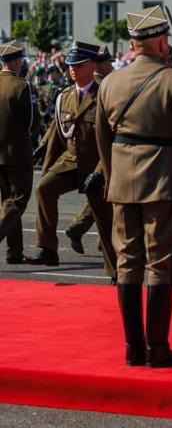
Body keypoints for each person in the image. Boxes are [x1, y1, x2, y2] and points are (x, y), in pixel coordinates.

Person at [96, 5, 172, 367]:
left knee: (127, 262)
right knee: (160, 262)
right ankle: (158, 349)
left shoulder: (110, 82)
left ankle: (134, 349)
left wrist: (113, 174)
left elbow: (102, 136)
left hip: (121, 180)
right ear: (162, 42)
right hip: (162, 179)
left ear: (133, 44)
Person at [24, 41, 116, 283]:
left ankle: (117, 273)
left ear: (93, 65)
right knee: (44, 188)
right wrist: (43, 152)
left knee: (104, 220)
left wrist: (102, 171)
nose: (73, 69)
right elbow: (57, 130)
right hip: (72, 159)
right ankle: (48, 249)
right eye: (71, 65)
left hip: (98, 163)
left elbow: (113, 136)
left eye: (79, 65)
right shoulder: (64, 96)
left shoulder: (106, 93)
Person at [65, 45, 117, 255]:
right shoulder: (104, 86)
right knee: (106, 197)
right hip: (102, 154)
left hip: (97, 154)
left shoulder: (101, 83)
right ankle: (97, 238)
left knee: (101, 197)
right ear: (100, 63)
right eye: (108, 62)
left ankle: (82, 230)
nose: (111, 66)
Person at [0, 40, 40, 264]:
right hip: (18, 153)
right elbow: (32, 122)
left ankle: (14, 252)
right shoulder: (22, 86)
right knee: (18, 201)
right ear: (16, 61)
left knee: (8, 202)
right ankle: (13, 250)